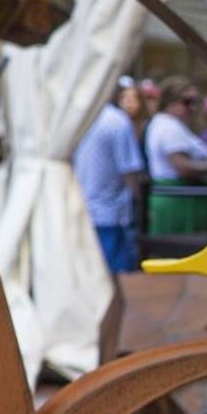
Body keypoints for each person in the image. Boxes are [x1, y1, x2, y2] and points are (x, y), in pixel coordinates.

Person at [74, 80, 146, 274]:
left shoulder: (77, 118)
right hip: (111, 215)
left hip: (84, 210)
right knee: (116, 277)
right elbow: (130, 171)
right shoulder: (117, 121)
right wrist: (139, 204)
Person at [143, 75, 207, 236]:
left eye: (195, 102)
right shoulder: (169, 128)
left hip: (181, 199)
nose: (193, 107)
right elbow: (183, 167)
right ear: (170, 100)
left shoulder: (168, 124)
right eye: (187, 101)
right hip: (179, 202)